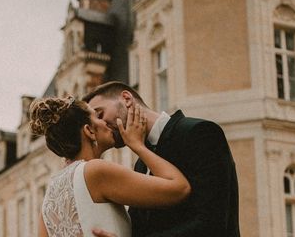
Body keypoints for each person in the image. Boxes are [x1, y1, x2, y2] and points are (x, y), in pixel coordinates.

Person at [83, 81, 240, 237]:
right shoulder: (141, 164)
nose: (100, 125)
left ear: (127, 99)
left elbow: (211, 223)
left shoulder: (200, 133)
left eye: (100, 114)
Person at [29, 95, 191, 237]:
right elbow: (179, 188)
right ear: (89, 131)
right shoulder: (95, 171)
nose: (105, 123)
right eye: (98, 117)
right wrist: (138, 146)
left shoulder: (48, 200)